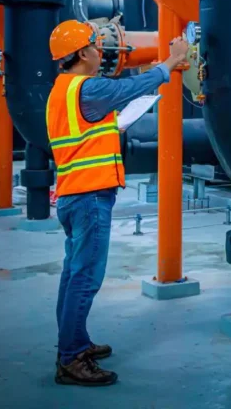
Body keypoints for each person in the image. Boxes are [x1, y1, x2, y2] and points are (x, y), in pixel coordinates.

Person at [46, 19, 188, 386]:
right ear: (81, 54)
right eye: (95, 47)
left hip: (74, 194)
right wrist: (170, 62)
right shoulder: (87, 87)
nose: (100, 52)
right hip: (89, 196)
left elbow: (85, 133)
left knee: (73, 273)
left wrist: (112, 127)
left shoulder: (63, 89)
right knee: (85, 277)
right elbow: (131, 86)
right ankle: (71, 360)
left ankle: (74, 342)